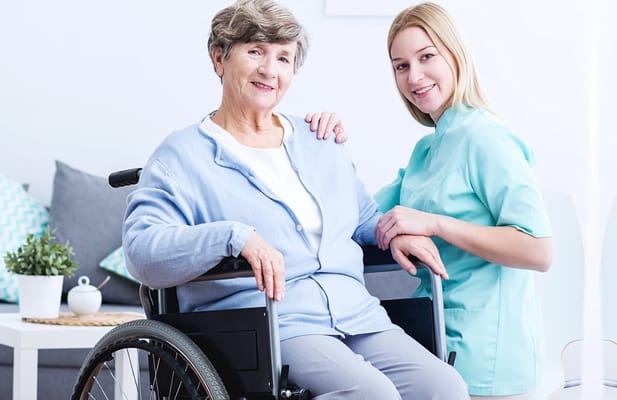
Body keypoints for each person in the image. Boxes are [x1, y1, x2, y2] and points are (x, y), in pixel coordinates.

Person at [123, 0, 468, 398]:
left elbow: (361, 218)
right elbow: (142, 251)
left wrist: (392, 232)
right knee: (372, 395)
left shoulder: (318, 139)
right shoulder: (182, 157)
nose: (270, 70)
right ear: (219, 58)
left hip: (356, 314)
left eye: (283, 58)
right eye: (255, 52)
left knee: (445, 388)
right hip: (269, 324)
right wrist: (233, 237)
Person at [373, 3, 554, 399]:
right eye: (401, 66)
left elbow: (539, 250)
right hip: (435, 344)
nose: (414, 76)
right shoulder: (426, 151)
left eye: (426, 56)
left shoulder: (487, 139)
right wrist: (323, 140)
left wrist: (436, 224)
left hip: (489, 356)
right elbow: (366, 215)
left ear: (454, 54)